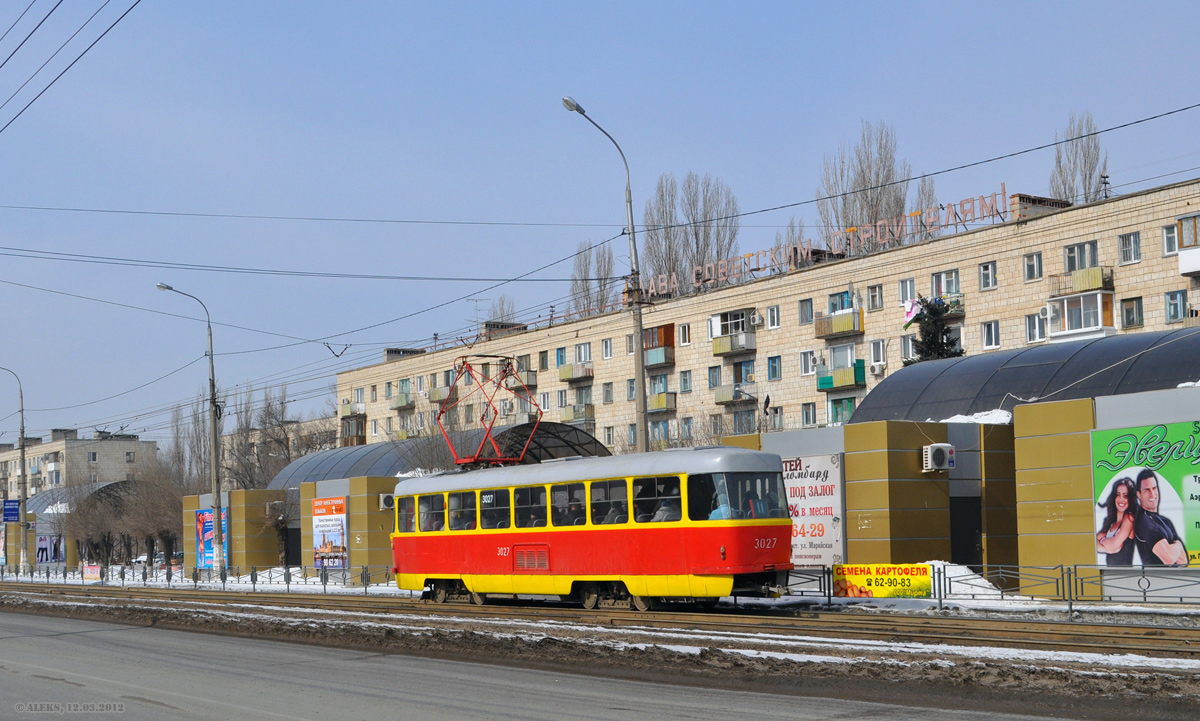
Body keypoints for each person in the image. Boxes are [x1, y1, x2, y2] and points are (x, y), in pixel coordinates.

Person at [1133, 469, 1189, 566]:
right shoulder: (1143, 521)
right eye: (1147, 490)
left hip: (1176, 579)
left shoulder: (1165, 521)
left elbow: (1183, 561)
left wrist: (1173, 549)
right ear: (1139, 494)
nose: (1152, 494)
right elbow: (1169, 559)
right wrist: (1178, 545)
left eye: (1154, 488)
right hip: (1155, 579)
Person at [1095, 477, 1138, 565]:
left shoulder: (1129, 519)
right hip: (1109, 572)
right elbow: (1093, 544)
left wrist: (1102, 541)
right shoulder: (1110, 522)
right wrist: (1106, 548)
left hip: (1125, 574)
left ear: (1130, 499)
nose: (1121, 499)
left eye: (1125, 496)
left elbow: (1114, 545)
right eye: (1118, 495)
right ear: (1114, 497)